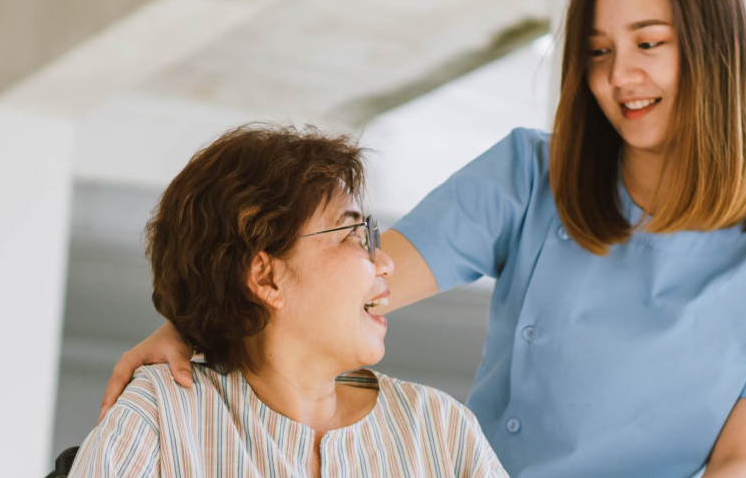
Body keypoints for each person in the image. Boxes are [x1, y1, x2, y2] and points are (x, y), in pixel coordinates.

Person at [105, 0, 746, 475]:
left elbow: (743, 463)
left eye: (649, 44)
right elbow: (349, 284)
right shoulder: (529, 175)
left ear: (718, 49)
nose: (620, 78)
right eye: (597, 52)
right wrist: (212, 318)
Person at [69, 124, 506, 478]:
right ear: (266, 276)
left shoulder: (441, 431)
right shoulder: (162, 418)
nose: (386, 262)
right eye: (352, 233)